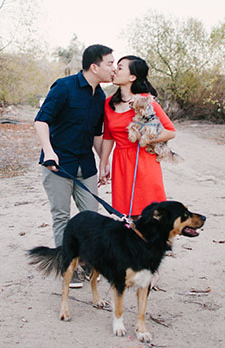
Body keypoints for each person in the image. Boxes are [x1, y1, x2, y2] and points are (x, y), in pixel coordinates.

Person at [34, 44, 115, 287]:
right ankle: (67, 267)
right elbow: (41, 122)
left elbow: (97, 134)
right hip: (57, 165)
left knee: (92, 215)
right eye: (110, 63)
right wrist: (49, 152)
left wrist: (103, 162)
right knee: (62, 216)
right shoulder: (64, 87)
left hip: (86, 165)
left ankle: (90, 263)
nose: (113, 68)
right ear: (94, 66)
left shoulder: (100, 96)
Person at [98, 55, 176, 218]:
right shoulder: (108, 103)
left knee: (150, 216)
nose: (114, 70)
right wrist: (103, 162)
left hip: (144, 162)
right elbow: (108, 136)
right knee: (126, 216)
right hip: (121, 163)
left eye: (120, 68)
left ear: (132, 76)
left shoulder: (146, 102)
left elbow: (170, 131)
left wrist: (144, 138)